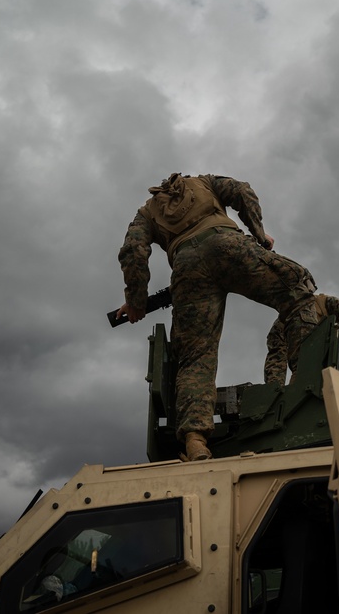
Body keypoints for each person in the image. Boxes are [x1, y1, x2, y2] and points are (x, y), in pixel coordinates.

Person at [117, 173, 318, 461]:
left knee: (196, 355)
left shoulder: (146, 212)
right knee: (298, 291)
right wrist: (259, 234)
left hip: (186, 268)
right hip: (229, 246)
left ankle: (195, 439)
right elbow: (242, 191)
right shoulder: (205, 182)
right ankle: (304, 384)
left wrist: (135, 301)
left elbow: (133, 250)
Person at [263, 294, 339, 385]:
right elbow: (276, 363)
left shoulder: (328, 304)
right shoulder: (280, 326)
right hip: (303, 378)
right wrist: (275, 391)